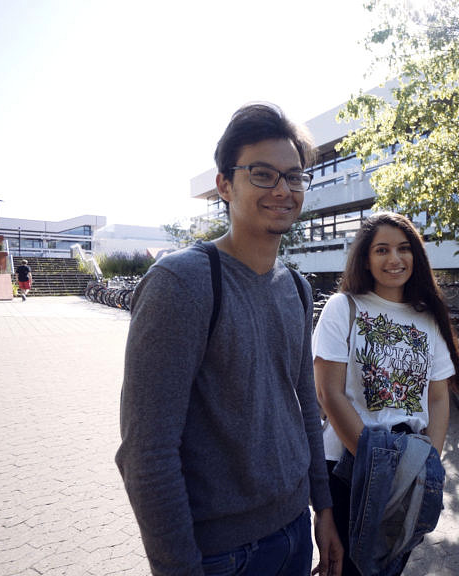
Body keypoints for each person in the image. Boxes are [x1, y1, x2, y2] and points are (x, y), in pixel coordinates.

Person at [115, 103, 342, 576]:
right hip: (221, 555)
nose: (282, 189)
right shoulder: (182, 283)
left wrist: (323, 509)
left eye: (294, 177)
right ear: (224, 184)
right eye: (262, 174)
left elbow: (304, 407)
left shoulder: (297, 288)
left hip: (296, 532)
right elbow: (147, 452)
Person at [312, 211, 459, 576]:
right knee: (346, 569)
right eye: (382, 250)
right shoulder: (343, 307)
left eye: (403, 249)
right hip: (350, 467)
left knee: (389, 568)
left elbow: (438, 397)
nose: (394, 260)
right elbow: (328, 393)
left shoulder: (427, 317)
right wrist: (375, 463)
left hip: (407, 465)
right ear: (365, 257)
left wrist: (428, 461)